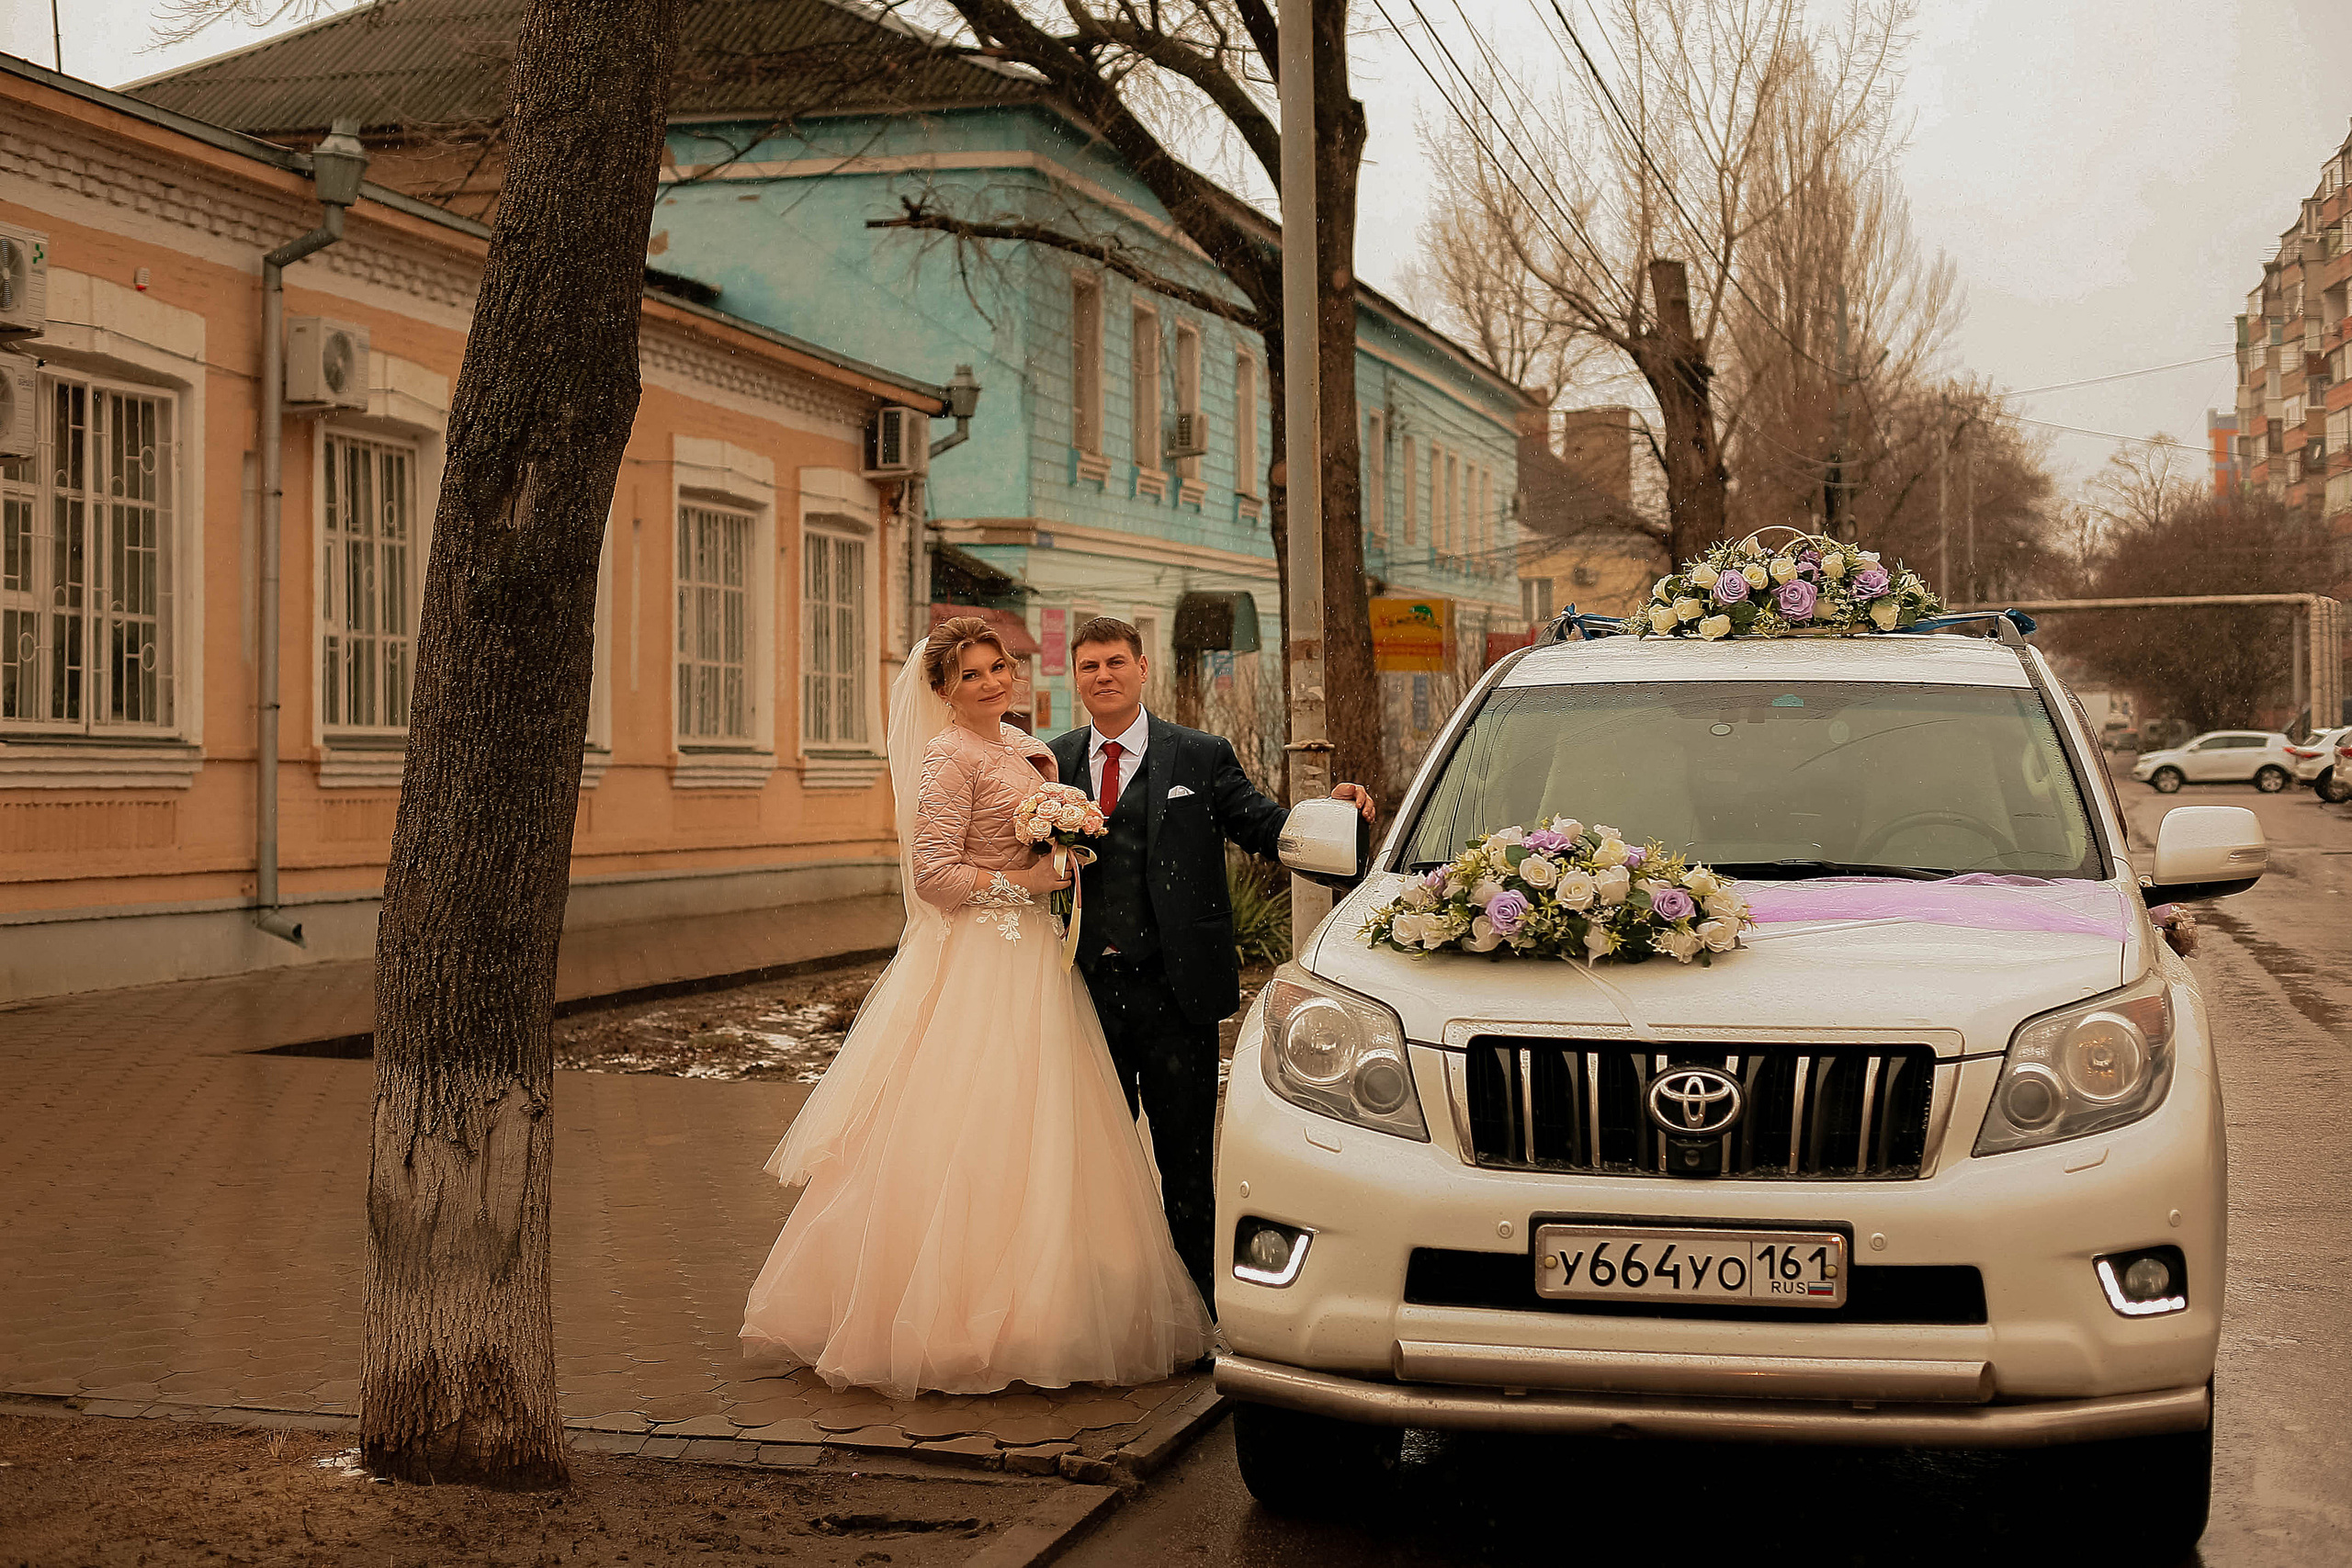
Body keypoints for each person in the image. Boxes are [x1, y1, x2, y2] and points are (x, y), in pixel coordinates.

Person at [740, 617, 1212, 1398]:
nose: (993, 682)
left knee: (1049, 1132)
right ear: (943, 691)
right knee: (970, 1128)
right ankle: (942, 1317)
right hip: (982, 959)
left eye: (999, 667)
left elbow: (1038, 839)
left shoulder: (1027, 749)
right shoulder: (948, 755)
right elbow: (933, 873)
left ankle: (1047, 1310)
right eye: (971, 675)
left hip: (1038, 960)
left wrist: (1060, 849)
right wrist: (1024, 885)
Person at [1047, 617, 1374, 1307]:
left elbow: (1264, 825)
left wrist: (1336, 816)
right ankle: (1104, 1304)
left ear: (1143, 669)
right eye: (1087, 667)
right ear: (1075, 679)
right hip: (1083, 992)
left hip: (1176, 993)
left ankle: (1197, 1308)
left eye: (1114, 662)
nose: (1102, 676)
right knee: (1091, 1157)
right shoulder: (1054, 762)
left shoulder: (1197, 755)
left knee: (1186, 1160)